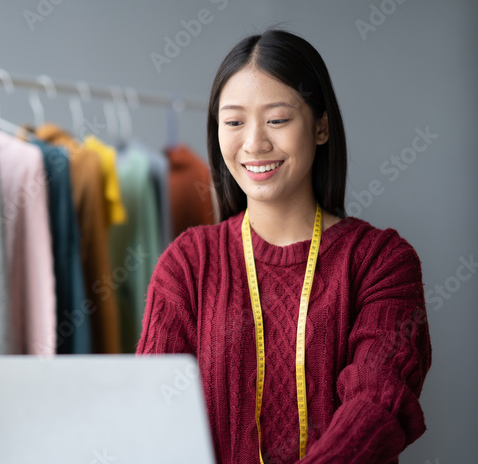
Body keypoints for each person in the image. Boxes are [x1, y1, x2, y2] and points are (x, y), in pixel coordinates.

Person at [135, 29, 431, 464]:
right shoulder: (188, 264)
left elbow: (378, 402)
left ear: (321, 127)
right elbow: (151, 413)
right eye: (234, 122)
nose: (254, 143)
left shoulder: (382, 261)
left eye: (277, 119)